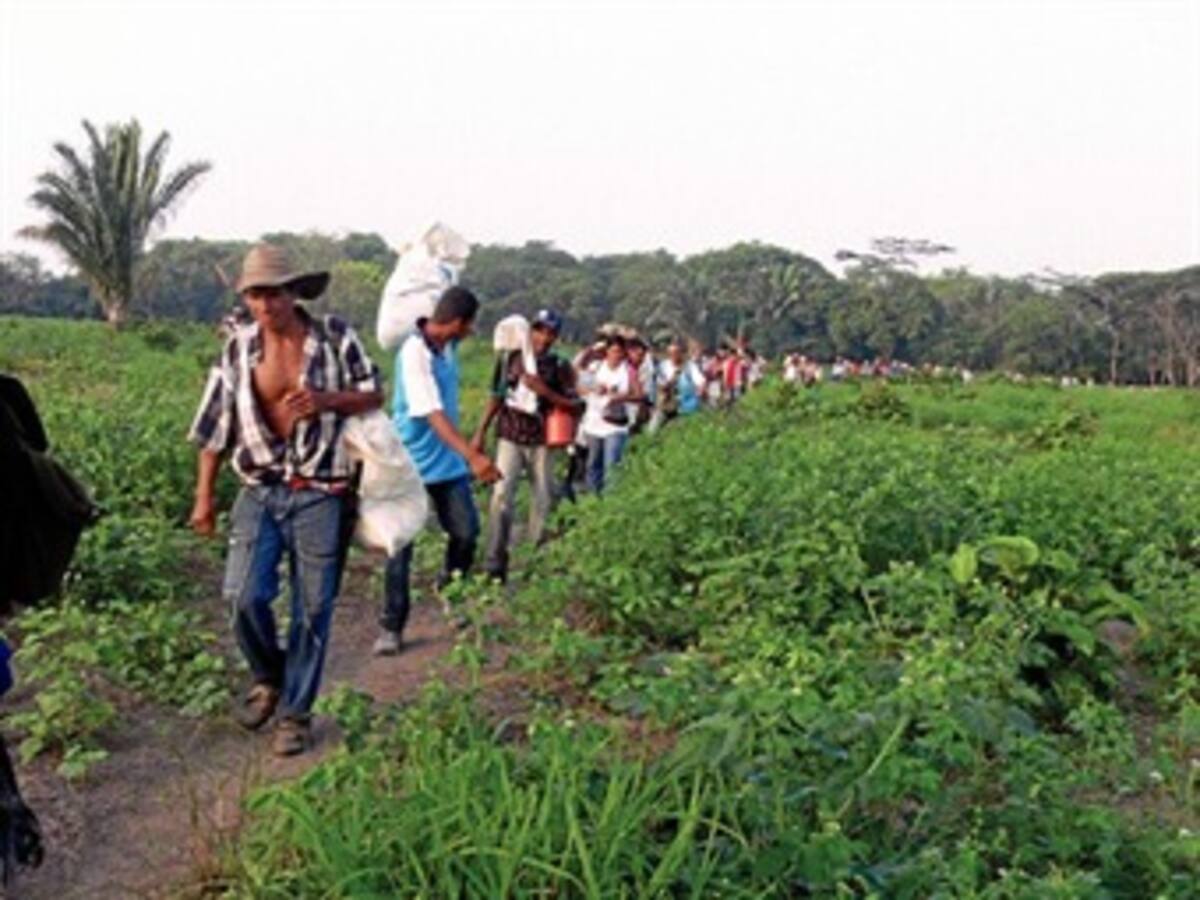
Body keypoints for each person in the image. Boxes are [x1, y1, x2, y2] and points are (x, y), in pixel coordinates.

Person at [188, 243, 384, 756]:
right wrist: (203, 497)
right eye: (254, 295)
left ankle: (295, 713)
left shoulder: (335, 337)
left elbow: (373, 392)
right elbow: (214, 427)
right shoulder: (238, 348)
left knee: (312, 608)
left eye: (272, 294)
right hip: (260, 487)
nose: (264, 306)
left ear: (294, 292)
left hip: (322, 490)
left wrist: (326, 400)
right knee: (242, 596)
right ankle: (270, 677)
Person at [374, 286, 501, 655]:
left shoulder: (448, 346)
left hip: (446, 465)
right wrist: (474, 457)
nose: (471, 332)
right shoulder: (414, 353)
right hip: (410, 464)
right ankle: (391, 626)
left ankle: (450, 588)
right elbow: (432, 415)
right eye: (470, 325)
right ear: (459, 323)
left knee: (465, 532)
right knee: (399, 547)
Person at [472, 308, 576, 583]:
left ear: (556, 336)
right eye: (539, 330)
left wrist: (546, 392)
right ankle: (494, 564)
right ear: (530, 331)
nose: (543, 337)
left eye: (550, 332)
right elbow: (496, 396)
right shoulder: (510, 359)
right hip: (510, 434)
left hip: (543, 440)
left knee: (542, 500)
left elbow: (576, 405)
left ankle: (534, 562)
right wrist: (480, 432)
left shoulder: (559, 365)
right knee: (501, 496)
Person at [579, 334, 641, 494]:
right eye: (613, 351)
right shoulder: (595, 367)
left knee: (612, 465)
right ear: (606, 351)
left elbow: (640, 394)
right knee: (593, 463)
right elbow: (579, 387)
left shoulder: (629, 371)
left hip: (616, 424)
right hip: (594, 421)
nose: (616, 355)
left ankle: (610, 503)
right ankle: (592, 502)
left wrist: (621, 397)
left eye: (619, 352)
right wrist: (594, 389)